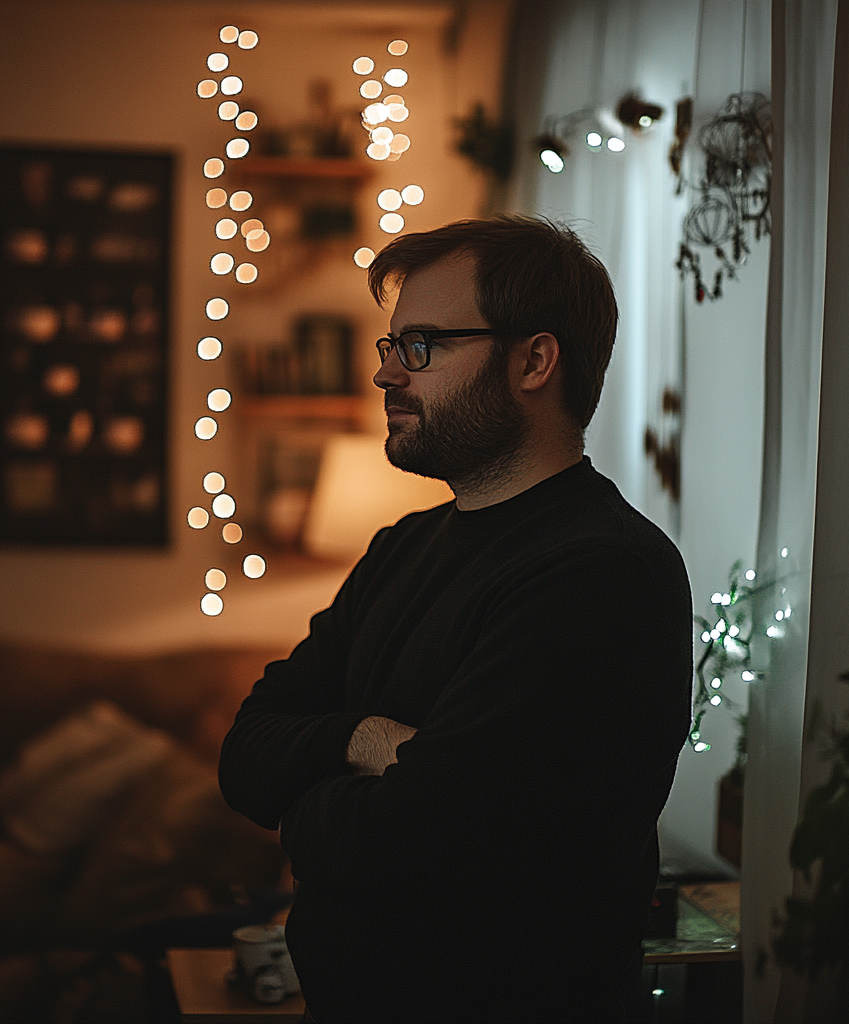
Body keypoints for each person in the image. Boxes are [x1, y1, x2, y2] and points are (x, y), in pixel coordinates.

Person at [219, 216, 693, 1023]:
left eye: (423, 346)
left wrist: (303, 809)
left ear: (534, 361)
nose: (387, 375)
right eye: (390, 346)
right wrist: (363, 739)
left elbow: (424, 840)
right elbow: (246, 755)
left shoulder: (602, 573)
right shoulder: (403, 547)